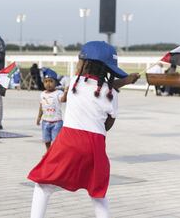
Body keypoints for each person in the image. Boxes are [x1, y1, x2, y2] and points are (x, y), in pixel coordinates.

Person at [28, 41, 140, 218]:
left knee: (42, 185)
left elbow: (91, 88)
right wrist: (124, 82)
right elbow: (108, 125)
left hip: (70, 141)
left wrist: (123, 82)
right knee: (98, 194)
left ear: (86, 64)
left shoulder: (74, 84)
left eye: (79, 60)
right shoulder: (112, 93)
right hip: (95, 147)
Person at [36, 69, 67, 150]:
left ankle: (55, 153)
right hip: (45, 121)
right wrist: (39, 117)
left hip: (56, 122)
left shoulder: (58, 93)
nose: (48, 83)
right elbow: (41, 106)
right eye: (46, 81)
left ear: (55, 83)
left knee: (56, 140)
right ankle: (48, 152)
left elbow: (63, 100)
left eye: (50, 81)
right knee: (46, 139)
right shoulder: (42, 94)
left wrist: (66, 93)